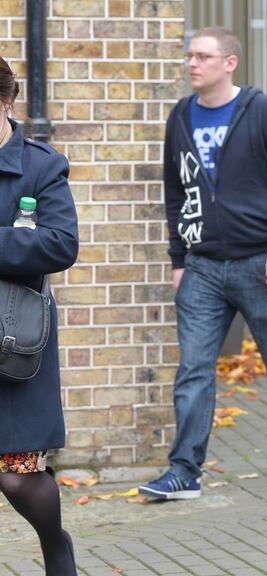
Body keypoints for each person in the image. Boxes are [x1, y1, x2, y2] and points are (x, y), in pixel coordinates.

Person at [141, 26, 267, 500]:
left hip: (258, 262)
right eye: (190, 56)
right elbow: (176, 194)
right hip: (201, 265)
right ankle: (184, 470)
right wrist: (178, 259)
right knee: (194, 369)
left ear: (230, 63)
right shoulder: (181, 116)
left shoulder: (261, 111)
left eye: (203, 56)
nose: (192, 64)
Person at [0, 56, 80, 574]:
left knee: (18, 476)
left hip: (12, 339)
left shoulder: (41, 165)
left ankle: (55, 545)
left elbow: (60, 243)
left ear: (6, 101)